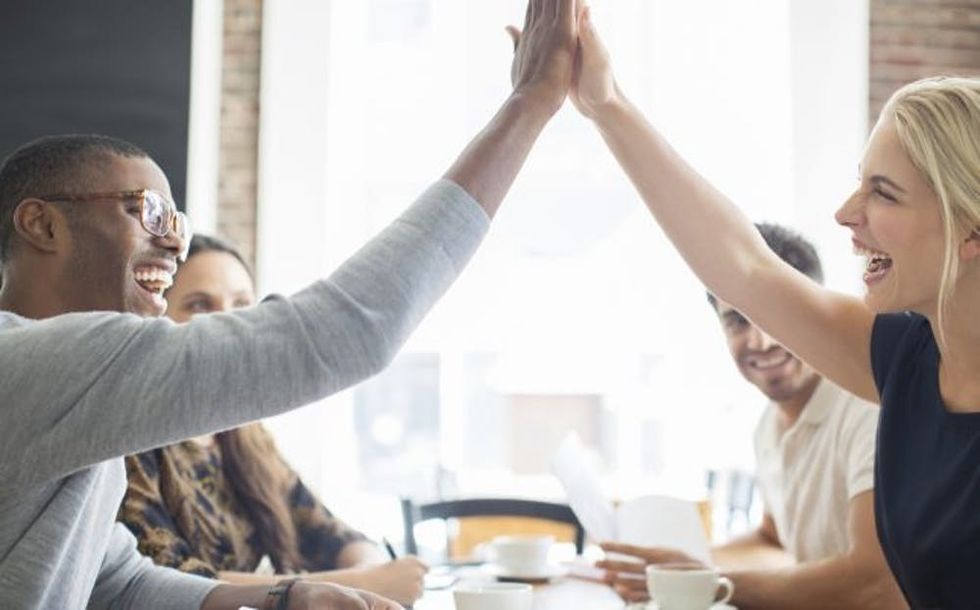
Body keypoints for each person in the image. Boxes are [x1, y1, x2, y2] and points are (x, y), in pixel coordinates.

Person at [0, 1, 581, 608]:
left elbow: (116, 578)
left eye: (176, 219)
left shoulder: (74, 402)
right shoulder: (32, 365)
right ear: (43, 224)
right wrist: (527, 107)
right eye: (146, 211)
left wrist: (287, 596)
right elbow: (341, 332)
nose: (173, 240)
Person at [567, 5, 980, 609]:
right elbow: (744, 266)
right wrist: (606, 104)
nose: (845, 214)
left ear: (969, 230)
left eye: (882, 193)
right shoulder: (903, 358)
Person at [596, 224, 904, 609]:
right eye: (738, 320)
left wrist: (711, 582)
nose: (763, 340)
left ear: (819, 309)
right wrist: (678, 568)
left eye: (779, 316)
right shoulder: (768, 426)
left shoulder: (866, 408)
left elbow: (874, 583)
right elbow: (773, 538)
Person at [119, 234, 427, 607]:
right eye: (200, 305)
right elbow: (167, 580)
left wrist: (369, 571)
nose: (227, 323)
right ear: (159, 318)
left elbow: (332, 534)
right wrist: (366, 583)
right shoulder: (129, 440)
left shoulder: (246, 432)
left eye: (242, 305)